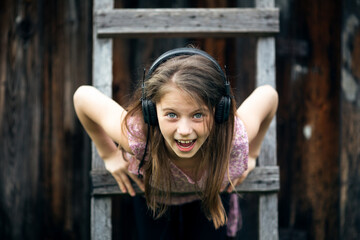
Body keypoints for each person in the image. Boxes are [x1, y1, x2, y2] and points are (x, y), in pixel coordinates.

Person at [73, 47, 278, 239]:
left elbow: (268, 95)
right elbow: (83, 97)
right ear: (151, 113)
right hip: (153, 196)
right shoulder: (138, 138)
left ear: (219, 112)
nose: (185, 131)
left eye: (198, 115)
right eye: (171, 114)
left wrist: (251, 154)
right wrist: (108, 154)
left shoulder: (232, 138)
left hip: (211, 194)